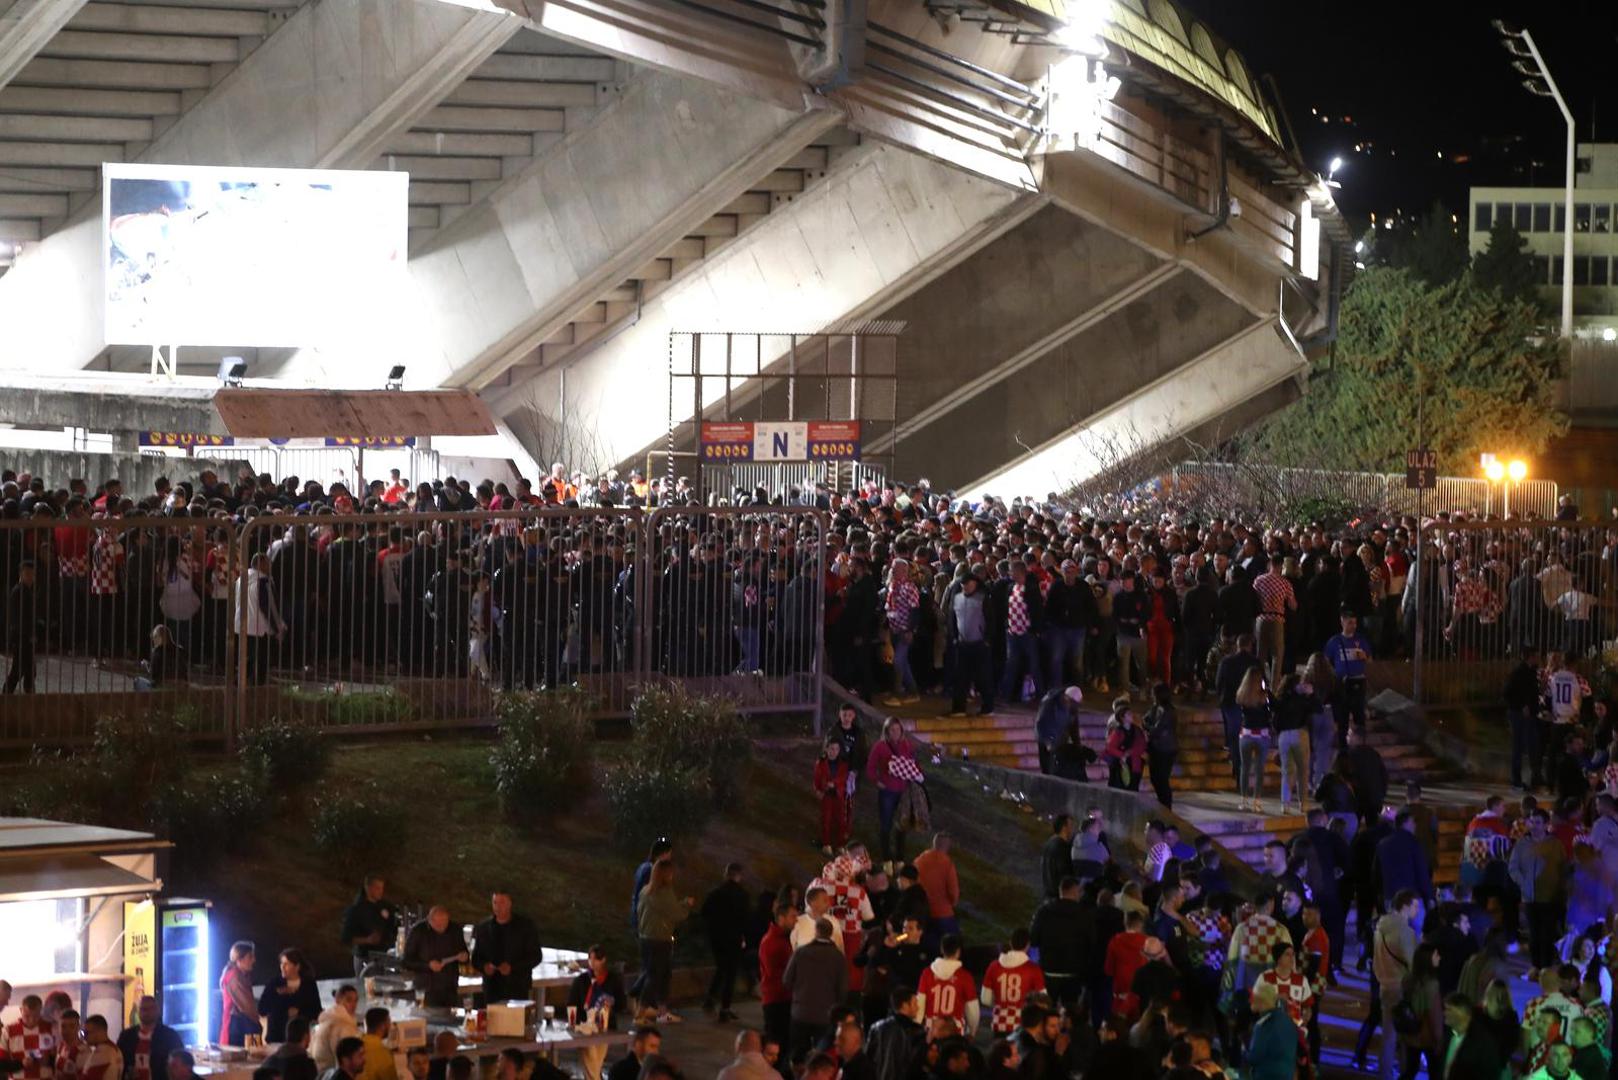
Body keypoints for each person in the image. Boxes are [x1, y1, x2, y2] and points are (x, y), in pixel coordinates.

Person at [1509, 809, 1568, 977]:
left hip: (1551, 897)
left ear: (1546, 824)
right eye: (1532, 822)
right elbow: (1513, 867)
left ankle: (1546, 968)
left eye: (1538, 822)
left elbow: (1563, 868)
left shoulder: (1555, 845)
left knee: (1547, 934)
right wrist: (1523, 882)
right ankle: (1535, 966)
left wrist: (1561, 889)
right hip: (1530, 898)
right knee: (1534, 934)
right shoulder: (1522, 844)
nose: (1534, 826)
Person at [781, 918, 848, 1064]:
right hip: (825, 1016)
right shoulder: (838, 957)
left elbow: (786, 980)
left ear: (816, 931)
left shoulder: (800, 953)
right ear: (831, 933)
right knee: (821, 1059)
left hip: (800, 1012)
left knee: (797, 1055)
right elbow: (842, 990)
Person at [637, 859, 693, 1023]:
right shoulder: (664, 893)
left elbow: (665, 910)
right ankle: (640, 1013)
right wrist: (686, 905)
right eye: (671, 873)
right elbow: (676, 914)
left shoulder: (645, 891)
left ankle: (662, 1012)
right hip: (660, 939)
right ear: (667, 874)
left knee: (659, 976)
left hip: (646, 938)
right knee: (655, 977)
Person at [867, 718, 923, 869]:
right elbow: (870, 767)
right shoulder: (880, 746)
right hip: (887, 791)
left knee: (902, 825)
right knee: (886, 825)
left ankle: (899, 858)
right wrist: (877, 781)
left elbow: (915, 763)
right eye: (892, 730)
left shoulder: (906, 745)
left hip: (903, 792)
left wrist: (917, 775)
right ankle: (887, 859)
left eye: (898, 729)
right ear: (886, 731)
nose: (895, 733)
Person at [471, 890, 543, 1003]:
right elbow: (476, 958)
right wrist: (484, 967)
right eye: (495, 903)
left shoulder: (525, 926)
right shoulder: (483, 928)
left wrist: (513, 968)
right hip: (491, 988)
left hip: (518, 987)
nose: (497, 907)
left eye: (502, 903)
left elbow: (535, 956)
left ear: (510, 904)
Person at [702, 863, 751, 1021]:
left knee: (721, 968)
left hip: (717, 938)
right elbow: (745, 918)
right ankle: (725, 1007)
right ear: (739, 875)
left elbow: (704, 912)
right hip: (733, 938)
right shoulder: (742, 895)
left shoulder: (716, 893)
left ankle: (710, 999)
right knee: (730, 973)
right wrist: (743, 935)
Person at [980, 929, 1045, 1037]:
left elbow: (985, 999)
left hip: (999, 1023)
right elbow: (1043, 1000)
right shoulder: (1033, 969)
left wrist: (1001, 1006)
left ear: (1010, 942)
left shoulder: (994, 966)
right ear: (1028, 945)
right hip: (1023, 1024)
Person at [1216, 634, 1263, 782]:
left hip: (1231, 702)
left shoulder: (1227, 662)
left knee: (1234, 737)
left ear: (1237, 645)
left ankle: (1238, 766)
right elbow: (1263, 683)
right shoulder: (1255, 662)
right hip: (1251, 705)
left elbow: (1219, 682)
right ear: (1250, 645)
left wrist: (1221, 698)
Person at [403, 907, 469, 1009]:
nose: (442, 927)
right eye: (438, 925)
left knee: (450, 1021)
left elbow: (464, 954)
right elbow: (406, 961)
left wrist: (464, 958)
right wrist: (428, 965)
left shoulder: (455, 929)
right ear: (429, 920)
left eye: (445, 923)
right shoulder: (418, 931)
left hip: (449, 988)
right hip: (426, 988)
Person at [1325, 608, 1372, 749]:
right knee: (1343, 717)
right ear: (1342, 621)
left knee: (1359, 716)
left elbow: (1370, 659)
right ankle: (1343, 747)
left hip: (1358, 681)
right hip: (1343, 683)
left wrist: (1365, 657)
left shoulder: (1361, 640)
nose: (1353, 626)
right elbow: (1326, 660)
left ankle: (1361, 746)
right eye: (1350, 622)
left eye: (1355, 623)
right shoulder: (1335, 641)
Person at [919, 934, 979, 1035]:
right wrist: (972, 1031)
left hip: (931, 1029)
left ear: (942, 950)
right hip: (955, 1030)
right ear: (958, 951)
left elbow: (920, 1001)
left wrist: (917, 1025)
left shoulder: (927, 973)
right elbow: (972, 1009)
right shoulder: (965, 976)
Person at [1400, 943, 1444, 1080]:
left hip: (1410, 1033)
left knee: (1410, 1069)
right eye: (1436, 955)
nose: (1439, 958)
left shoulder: (1408, 979)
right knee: (1435, 1073)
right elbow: (1434, 1015)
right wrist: (1439, 1040)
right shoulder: (1431, 985)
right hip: (1427, 1036)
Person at [1376, 809, 1435, 910]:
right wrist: (1429, 896)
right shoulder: (1413, 843)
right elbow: (1421, 872)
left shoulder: (1382, 844)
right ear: (1405, 823)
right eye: (1412, 822)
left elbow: (1376, 872)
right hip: (1411, 898)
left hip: (1390, 897)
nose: (1415, 825)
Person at [258, 949, 320, 1044]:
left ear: (297, 967)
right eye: (281, 963)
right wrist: (278, 996)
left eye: (286, 964)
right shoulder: (274, 984)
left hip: (301, 1039)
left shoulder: (309, 984)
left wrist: (299, 1012)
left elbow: (316, 1010)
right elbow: (262, 1008)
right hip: (276, 1036)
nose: (282, 967)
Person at [339, 877, 397, 977]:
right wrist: (367, 940)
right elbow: (346, 938)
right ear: (368, 888)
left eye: (382, 888)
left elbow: (394, 925)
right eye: (377, 888)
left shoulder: (385, 906)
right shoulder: (356, 910)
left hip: (383, 957)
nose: (381, 891)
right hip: (364, 958)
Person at [1440, 992, 1506, 1080]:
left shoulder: (1482, 1042)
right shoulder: (1448, 1036)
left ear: (1462, 1013)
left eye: (1449, 1009)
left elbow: (1490, 1074)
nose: (1444, 1013)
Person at [1505, 646, 1545, 790]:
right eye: (1536, 656)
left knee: (1533, 745)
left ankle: (1535, 777)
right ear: (1530, 657)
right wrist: (1522, 706)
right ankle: (1516, 779)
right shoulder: (1519, 673)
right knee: (1519, 746)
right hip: (1519, 715)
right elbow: (1509, 693)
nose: (1538, 659)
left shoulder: (1531, 672)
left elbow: (1533, 692)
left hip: (1530, 714)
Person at [757, 903, 795, 1053]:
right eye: (793, 917)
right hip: (777, 1000)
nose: (796, 920)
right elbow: (776, 974)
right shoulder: (772, 942)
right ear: (781, 918)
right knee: (777, 1046)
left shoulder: (781, 939)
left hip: (781, 998)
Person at [1235, 668, 1273, 813]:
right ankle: (1257, 801)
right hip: (1262, 735)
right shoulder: (1264, 696)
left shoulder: (1242, 694)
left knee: (1244, 768)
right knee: (1259, 769)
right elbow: (1272, 708)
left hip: (1246, 734)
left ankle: (1243, 800)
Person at [116, 997, 183, 1080]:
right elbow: (118, 1062)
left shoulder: (170, 1036)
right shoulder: (126, 1036)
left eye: (151, 1008)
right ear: (138, 1011)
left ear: (157, 1011)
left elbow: (180, 1064)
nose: (147, 1012)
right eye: (143, 1009)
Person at [913, 832, 961, 946]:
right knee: (953, 945)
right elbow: (953, 892)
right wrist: (952, 903)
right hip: (943, 914)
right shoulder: (947, 863)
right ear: (947, 846)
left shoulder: (919, 861)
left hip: (923, 913)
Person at [865, 989, 925, 1080]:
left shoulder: (877, 1028)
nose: (918, 1007)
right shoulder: (916, 1032)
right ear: (905, 1006)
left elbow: (868, 1060)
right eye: (915, 1003)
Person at [1244, 981, 1296, 1080]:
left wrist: (1244, 1052)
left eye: (1253, 998)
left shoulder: (1263, 1025)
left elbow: (1254, 1057)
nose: (1250, 1001)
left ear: (1261, 1001)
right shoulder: (1288, 1020)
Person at [1034, 686, 1085, 775]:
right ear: (1066, 698)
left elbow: (1073, 727)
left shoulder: (1072, 708)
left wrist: (1077, 745)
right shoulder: (1049, 703)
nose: (1074, 706)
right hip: (1046, 740)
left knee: (1058, 769)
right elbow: (1041, 723)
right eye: (1072, 703)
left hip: (1060, 741)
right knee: (1047, 768)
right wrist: (1048, 741)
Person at [4, 560, 38, 693]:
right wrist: (29, 635)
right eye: (27, 574)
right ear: (21, 574)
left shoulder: (26, 591)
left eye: (32, 574)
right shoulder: (19, 591)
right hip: (21, 637)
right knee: (18, 670)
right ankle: (7, 695)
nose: (30, 577)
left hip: (25, 637)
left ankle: (28, 693)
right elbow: (18, 618)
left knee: (29, 669)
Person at [1143, 682, 1178, 808]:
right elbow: (1145, 719)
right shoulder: (1156, 708)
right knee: (1155, 778)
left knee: (1161, 780)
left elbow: (1156, 729)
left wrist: (1148, 727)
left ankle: (1166, 805)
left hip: (1165, 750)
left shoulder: (1168, 711)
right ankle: (1162, 803)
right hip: (1155, 748)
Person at [813, 740, 852, 854]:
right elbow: (816, 779)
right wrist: (818, 790)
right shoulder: (820, 763)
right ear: (826, 749)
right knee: (826, 819)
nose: (833, 752)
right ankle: (826, 843)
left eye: (836, 749)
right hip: (826, 795)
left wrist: (834, 783)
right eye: (831, 749)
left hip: (838, 795)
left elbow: (843, 778)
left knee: (840, 819)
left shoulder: (843, 765)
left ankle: (840, 844)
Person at [219, 942, 261, 1046]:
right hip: (238, 1027)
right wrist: (260, 1020)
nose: (254, 960)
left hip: (243, 1025)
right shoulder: (234, 977)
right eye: (250, 957)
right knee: (247, 1059)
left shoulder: (243, 975)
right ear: (239, 959)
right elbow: (247, 1006)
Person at [1103, 698, 1147, 791]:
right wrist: (1122, 755)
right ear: (1122, 717)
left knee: (1133, 787)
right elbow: (1110, 746)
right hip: (1120, 764)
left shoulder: (1136, 730)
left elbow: (1142, 744)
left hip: (1134, 763)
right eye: (1129, 714)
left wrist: (1131, 752)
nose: (1132, 716)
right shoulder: (1117, 731)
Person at [312, 987, 360, 1071]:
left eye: (356, 1000)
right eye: (349, 1000)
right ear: (337, 1000)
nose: (353, 1004)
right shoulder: (342, 1027)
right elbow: (344, 1063)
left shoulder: (326, 1020)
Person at [1040, 816, 1075, 899]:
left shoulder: (1048, 844)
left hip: (1047, 895)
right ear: (1064, 828)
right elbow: (1064, 872)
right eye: (1071, 826)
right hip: (1059, 896)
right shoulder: (1062, 847)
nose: (1072, 829)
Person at [354, 1011, 394, 1080]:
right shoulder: (382, 1052)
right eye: (389, 1022)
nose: (391, 1026)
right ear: (382, 1026)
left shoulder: (355, 1043)